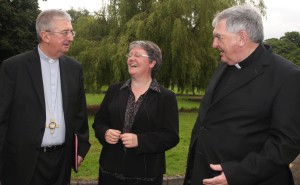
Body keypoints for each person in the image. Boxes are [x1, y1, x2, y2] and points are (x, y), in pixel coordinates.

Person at [183, 4, 300, 185]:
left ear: (242, 38)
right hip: (203, 174)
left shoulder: (288, 77)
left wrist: (238, 173)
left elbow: (286, 144)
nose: (213, 44)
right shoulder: (225, 64)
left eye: (218, 37)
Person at [0, 9, 90, 185]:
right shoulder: (13, 67)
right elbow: (1, 117)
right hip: (22, 163)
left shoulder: (74, 68)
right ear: (45, 35)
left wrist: (82, 147)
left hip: (62, 162)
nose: (71, 37)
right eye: (65, 32)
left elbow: (79, 113)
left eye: (72, 32)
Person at [93, 40, 179, 185]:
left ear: (152, 63)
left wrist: (140, 141)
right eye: (130, 55)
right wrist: (105, 132)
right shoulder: (114, 90)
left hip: (146, 175)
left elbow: (171, 136)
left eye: (138, 55)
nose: (131, 58)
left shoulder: (166, 97)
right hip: (110, 172)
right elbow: (99, 122)